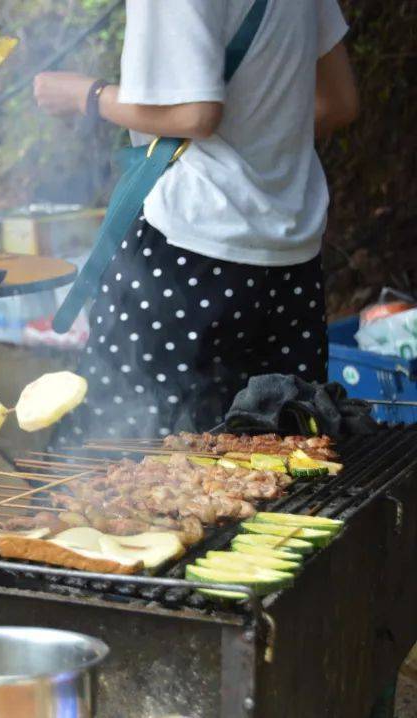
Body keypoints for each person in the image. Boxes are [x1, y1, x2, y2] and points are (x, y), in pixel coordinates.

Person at [34, 0, 358, 440]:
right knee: (281, 463)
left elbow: (196, 114)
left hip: (190, 253)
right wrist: (258, 147)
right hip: (291, 258)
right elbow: (339, 103)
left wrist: (87, 95)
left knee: (126, 464)